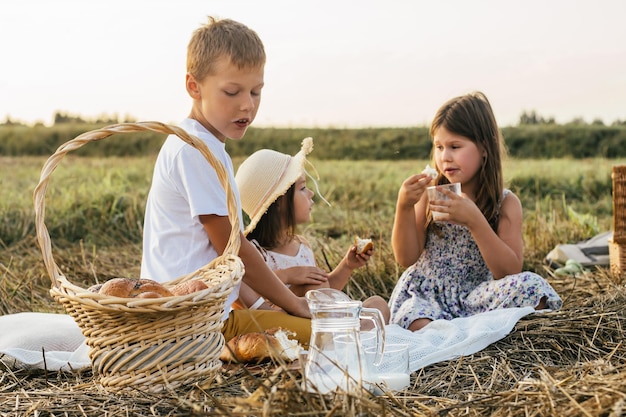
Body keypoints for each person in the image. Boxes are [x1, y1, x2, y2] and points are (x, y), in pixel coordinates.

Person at [140, 16, 311, 346]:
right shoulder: (194, 150)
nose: (247, 104)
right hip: (191, 324)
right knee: (343, 333)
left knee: (343, 322)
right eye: (232, 91)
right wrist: (293, 304)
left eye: (256, 91)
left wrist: (270, 305)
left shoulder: (205, 145)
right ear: (194, 87)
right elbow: (233, 249)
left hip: (205, 313)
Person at [388, 91, 562, 332]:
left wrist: (475, 221)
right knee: (419, 322)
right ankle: (469, 335)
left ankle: (462, 334)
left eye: (455, 146)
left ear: (483, 148)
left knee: (534, 288)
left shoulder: (506, 203)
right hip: (427, 296)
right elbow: (405, 258)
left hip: (476, 296)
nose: (444, 157)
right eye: (439, 147)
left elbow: (509, 271)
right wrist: (404, 206)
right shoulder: (431, 194)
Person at [234, 138, 391, 323]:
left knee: (378, 305)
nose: (311, 193)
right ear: (279, 203)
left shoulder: (302, 245)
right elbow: (245, 293)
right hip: (287, 324)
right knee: (311, 286)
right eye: (302, 188)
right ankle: (344, 336)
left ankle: (343, 334)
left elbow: (326, 290)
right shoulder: (255, 253)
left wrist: (347, 266)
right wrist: (287, 275)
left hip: (321, 317)